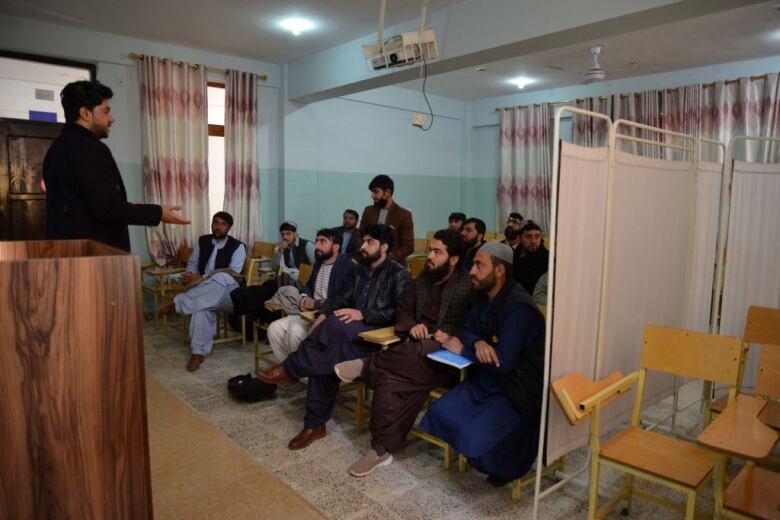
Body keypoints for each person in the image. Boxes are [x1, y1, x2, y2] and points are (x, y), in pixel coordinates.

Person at [256, 224, 412, 450]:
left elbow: (400, 313)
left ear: (385, 247)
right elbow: (339, 298)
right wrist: (324, 314)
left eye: (370, 242)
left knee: (332, 331)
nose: (364, 246)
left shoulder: (399, 275)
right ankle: (314, 425)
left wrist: (363, 313)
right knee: (327, 352)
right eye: (364, 241)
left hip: (373, 339)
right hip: (347, 338)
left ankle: (292, 371)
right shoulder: (359, 271)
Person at [334, 229, 472, 476]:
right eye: (430, 249)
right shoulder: (424, 278)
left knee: (417, 352)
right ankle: (380, 449)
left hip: (446, 359)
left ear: (453, 259)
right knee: (392, 379)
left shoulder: (466, 285)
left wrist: (449, 335)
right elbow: (403, 309)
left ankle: (368, 366)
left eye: (437, 252)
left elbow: (472, 325)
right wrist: (412, 325)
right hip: (413, 356)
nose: (429, 256)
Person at [419, 241, 545, 486]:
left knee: (472, 436)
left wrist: (464, 348)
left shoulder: (520, 309)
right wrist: (476, 342)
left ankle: (503, 463)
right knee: (441, 413)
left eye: (479, 265)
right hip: (486, 379)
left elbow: (504, 363)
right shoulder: (482, 297)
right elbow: (467, 328)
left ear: (500, 271)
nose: (472, 272)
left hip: (514, 388)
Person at [43, 80, 188, 251]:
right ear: (85, 113)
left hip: (67, 251)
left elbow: (84, 202)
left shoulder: (56, 148)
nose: (111, 119)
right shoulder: (90, 148)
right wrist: (157, 213)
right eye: (105, 111)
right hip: (94, 256)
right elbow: (107, 209)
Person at [157, 212, 246, 371]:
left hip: (229, 293)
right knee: (201, 307)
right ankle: (197, 353)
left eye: (222, 224)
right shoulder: (203, 240)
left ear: (229, 227)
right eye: (215, 222)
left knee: (220, 278)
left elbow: (233, 273)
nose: (218, 227)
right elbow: (193, 262)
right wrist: (191, 274)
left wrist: (202, 277)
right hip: (205, 292)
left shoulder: (238, 246)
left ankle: (175, 302)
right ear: (211, 224)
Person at [266, 228, 355, 362]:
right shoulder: (318, 263)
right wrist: (304, 297)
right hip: (309, 313)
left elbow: (343, 300)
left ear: (336, 247)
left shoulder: (348, 268)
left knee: (294, 332)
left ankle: (305, 370)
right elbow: (308, 286)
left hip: (328, 315)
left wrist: (316, 304)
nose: (317, 246)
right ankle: (290, 370)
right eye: (316, 241)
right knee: (274, 328)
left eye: (322, 242)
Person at [229, 221, 315, 326]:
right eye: (283, 234)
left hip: (299, 284)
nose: (285, 237)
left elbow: (316, 268)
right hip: (285, 280)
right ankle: (240, 302)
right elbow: (274, 267)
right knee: (260, 289)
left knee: (262, 293)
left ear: (296, 233)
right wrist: (280, 251)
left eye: (288, 234)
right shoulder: (284, 247)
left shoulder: (307, 246)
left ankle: (244, 306)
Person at [359, 175, 415, 263]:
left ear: (387, 192)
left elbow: (408, 246)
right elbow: (359, 236)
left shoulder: (404, 215)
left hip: (391, 265)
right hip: (367, 261)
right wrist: (366, 252)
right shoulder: (368, 211)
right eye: (372, 192)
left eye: (375, 192)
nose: (372, 196)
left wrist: (387, 259)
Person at [513, 220, 549, 295]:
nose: (533, 241)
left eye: (537, 236)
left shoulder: (547, 260)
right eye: (528, 236)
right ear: (519, 238)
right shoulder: (512, 256)